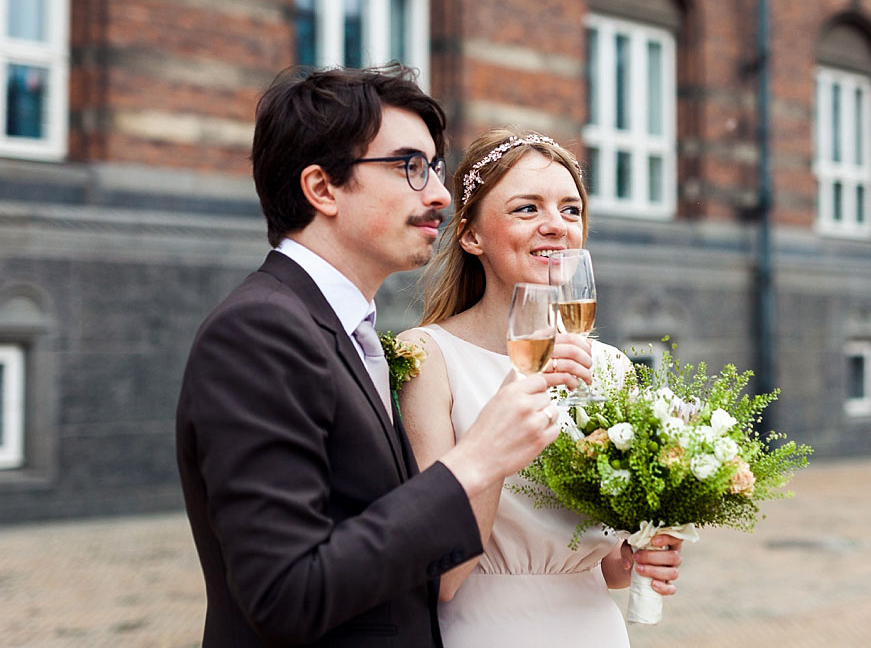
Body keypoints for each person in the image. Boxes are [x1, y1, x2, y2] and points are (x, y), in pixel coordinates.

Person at [175, 67, 587, 647]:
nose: (441, 195)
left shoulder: (350, 332)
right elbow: (283, 593)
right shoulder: (258, 330)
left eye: (436, 169)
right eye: (410, 167)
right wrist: (475, 461)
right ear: (322, 189)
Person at [398, 129, 684, 647]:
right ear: (471, 236)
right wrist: (507, 417)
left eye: (571, 210)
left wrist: (637, 555)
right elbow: (442, 576)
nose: (556, 226)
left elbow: (603, 565)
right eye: (527, 208)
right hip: (484, 630)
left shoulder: (611, 367)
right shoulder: (427, 356)